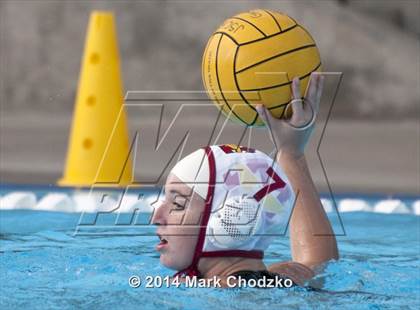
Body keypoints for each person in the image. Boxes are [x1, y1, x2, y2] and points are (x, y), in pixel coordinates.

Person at [152, 73, 338, 287]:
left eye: (177, 204)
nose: (156, 216)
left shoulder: (225, 296)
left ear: (232, 219)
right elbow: (321, 263)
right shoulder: (288, 279)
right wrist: (291, 152)